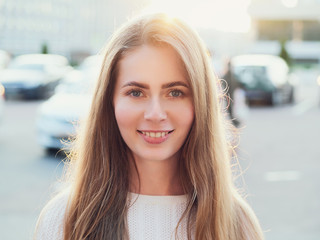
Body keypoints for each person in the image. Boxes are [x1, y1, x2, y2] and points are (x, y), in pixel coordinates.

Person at [34, 13, 264, 240]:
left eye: (175, 92)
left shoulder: (237, 224)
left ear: (200, 104)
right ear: (109, 102)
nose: (155, 114)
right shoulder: (62, 221)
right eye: (136, 92)